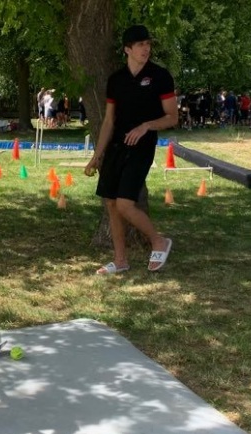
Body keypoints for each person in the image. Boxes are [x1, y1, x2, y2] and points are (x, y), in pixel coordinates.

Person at [84, 24, 176, 274]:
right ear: (128, 49)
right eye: (141, 45)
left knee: (125, 204)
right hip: (116, 147)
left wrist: (146, 125)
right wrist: (96, 156)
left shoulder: (160, 76)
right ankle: (121, 260)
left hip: (142, 147)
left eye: (148, 44)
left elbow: (172, 117)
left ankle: (158, 240)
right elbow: (109, 121)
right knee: (111, 204)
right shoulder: (116, 80)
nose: (146, 49)